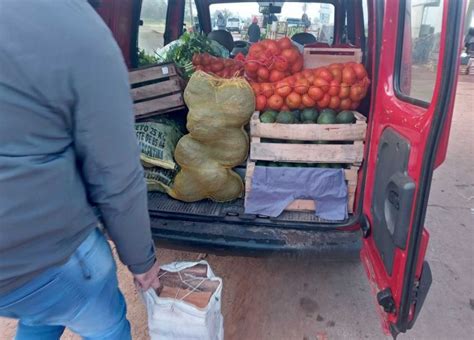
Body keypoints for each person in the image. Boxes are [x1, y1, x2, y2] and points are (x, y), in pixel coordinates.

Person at [0, 1, 161, 339]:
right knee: (106, 324)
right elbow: (116, 176)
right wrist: (142, 263)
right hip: (40, 250)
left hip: (13, 267)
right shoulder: (81, 31)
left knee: (40, 310)